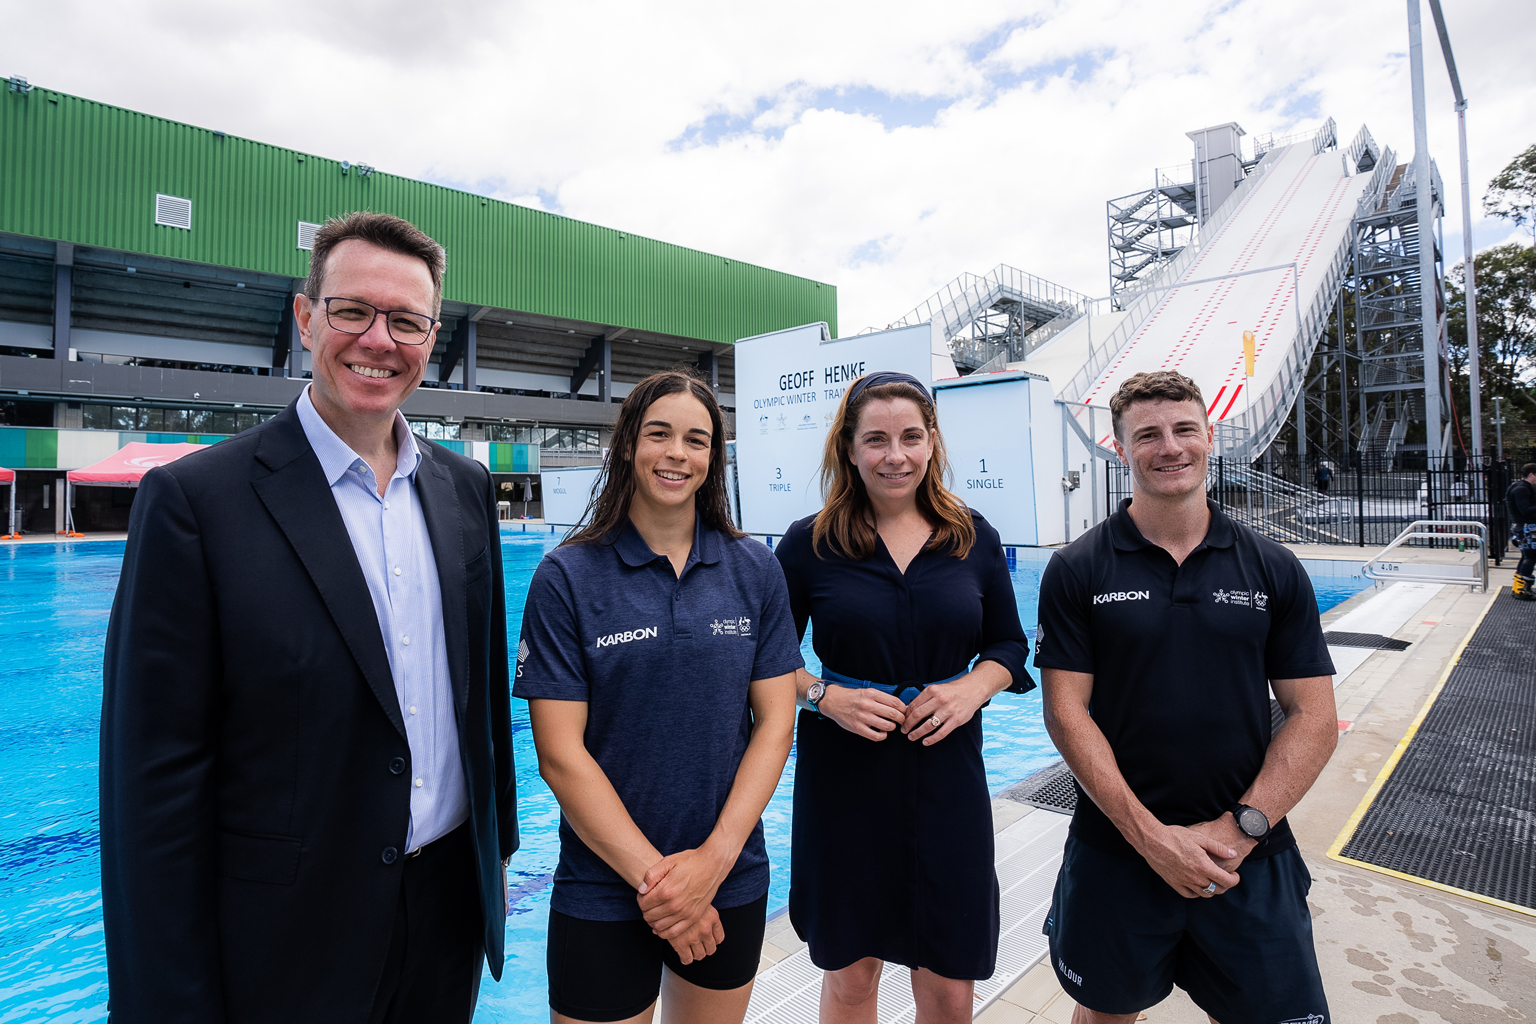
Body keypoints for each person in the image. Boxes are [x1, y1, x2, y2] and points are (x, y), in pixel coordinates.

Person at [100, 212, 517, 1024]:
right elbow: (151, 779)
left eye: (407, 320)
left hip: (445, 920)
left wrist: (491, 864)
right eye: (352, 310)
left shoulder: (465, 492)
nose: (379, 340)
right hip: (286, 937)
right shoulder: (197, 502)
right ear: (305, 318)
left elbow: (482, 702)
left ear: (432, 337)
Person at [1035, 370, 1337, 1024]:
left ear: (1209, 438)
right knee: (1106, 1014)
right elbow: (1065, 712)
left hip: (1248, 854)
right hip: (1117, 851)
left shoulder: (1271, 567)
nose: (1169, 446)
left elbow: (1315, 717)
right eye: (1147, 434)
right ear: (1120, 448)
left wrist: (1240, 828)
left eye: (1183, 430)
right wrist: (1148, 837)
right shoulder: (1078, 570)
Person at [515, 369, 801, 1024]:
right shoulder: (569, 576)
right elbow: (560, 756)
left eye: (696, 440)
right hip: (603, 886)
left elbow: (775, 721)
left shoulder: (754, 569)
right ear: (627, 446)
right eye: (660, 434)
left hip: (728, 875)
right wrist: (667, 886)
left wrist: (713, 863)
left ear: (712, 458)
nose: (677, 453)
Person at [773, 371, 1032, 1024]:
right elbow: (767, 663)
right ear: (850, 448)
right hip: (846, 785)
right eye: (877, 440)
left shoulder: (974, 536)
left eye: (911, 437)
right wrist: (824, 695)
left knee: (949, 988)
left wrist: (972, 687)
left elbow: (1008, 647)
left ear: (932, 442)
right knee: (852, 976)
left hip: (947, 780)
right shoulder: (808, 545)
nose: (896, 456)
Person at [1507, 462, 1536, 601]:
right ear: (1531, 474)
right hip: (1526, 527)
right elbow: (1524, 510)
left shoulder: (1519, 487)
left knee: (1527, 556)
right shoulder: (1522, 489)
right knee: (1530, 556)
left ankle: (1519, 587)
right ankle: (1521, 589)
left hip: (1522, 527)